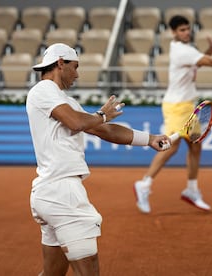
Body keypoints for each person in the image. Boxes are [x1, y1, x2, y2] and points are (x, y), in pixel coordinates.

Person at [26, 43, 170, 276]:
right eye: (75, 67)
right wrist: (101, 114)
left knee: (52, 273)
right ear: (60, 63)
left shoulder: (65, 101)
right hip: (62, 193)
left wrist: (149, 139)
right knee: (88, 270)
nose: (77, 74)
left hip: (51, 193)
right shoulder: (44, 90)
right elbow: (78, 122)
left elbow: (104, 130)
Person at [133, 15, 212, 214]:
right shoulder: (182, 50)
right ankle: (144, 184)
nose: (186, 32)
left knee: (195, 146)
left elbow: (200, 62)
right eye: (181, 30)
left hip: (187, 106)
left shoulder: (186, 50)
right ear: (173, 32)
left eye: (188, 29)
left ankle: (191, 189)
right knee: (169, 146)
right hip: (177, 106)